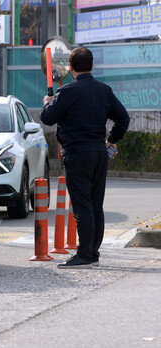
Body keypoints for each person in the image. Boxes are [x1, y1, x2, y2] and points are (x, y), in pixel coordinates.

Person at [40, 47, 130, 269]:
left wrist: (48, 102)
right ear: (91, 66)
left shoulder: (67, 92)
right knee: (95, 204)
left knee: (82, 205)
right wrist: (111, 140)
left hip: (77, 153)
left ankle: (84, 254)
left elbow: (48, 118)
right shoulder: (104, 90)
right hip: (99, 152)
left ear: (70, 68)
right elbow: (123, 118)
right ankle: (93, 252)